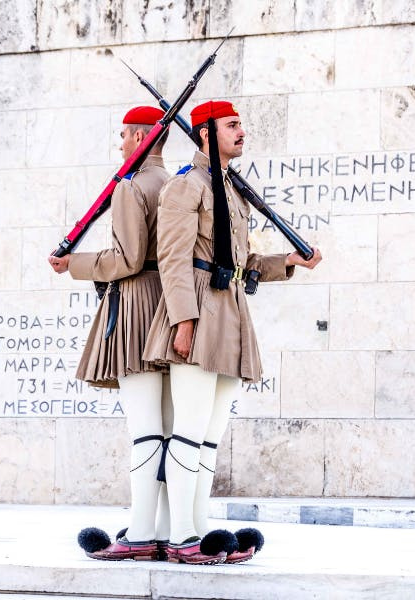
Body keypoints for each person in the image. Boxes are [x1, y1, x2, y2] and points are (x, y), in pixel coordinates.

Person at [144, 100, 322, 564]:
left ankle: (199, 527)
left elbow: (239, 261)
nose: (242, 131)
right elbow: (174, 259)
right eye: (231, 125)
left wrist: (286, 262)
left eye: (241, 123)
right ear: (205, 133)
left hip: (231, 311)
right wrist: (183, 321)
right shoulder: (186, 186)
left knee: (209, 434)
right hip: (199, 312)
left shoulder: (233, 189)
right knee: (187, 429)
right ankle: (178, 535)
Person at [50, 106, 174, 561]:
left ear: (141, 137)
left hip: (138, 308)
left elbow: (127, 259)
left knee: (145, 430)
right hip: (170, 306)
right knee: (170, 431)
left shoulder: (131, 187)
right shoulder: (174, 182)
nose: (120, 144)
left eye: (124, 136)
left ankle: (139, 533)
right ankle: (164, 529)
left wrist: (74, 265)